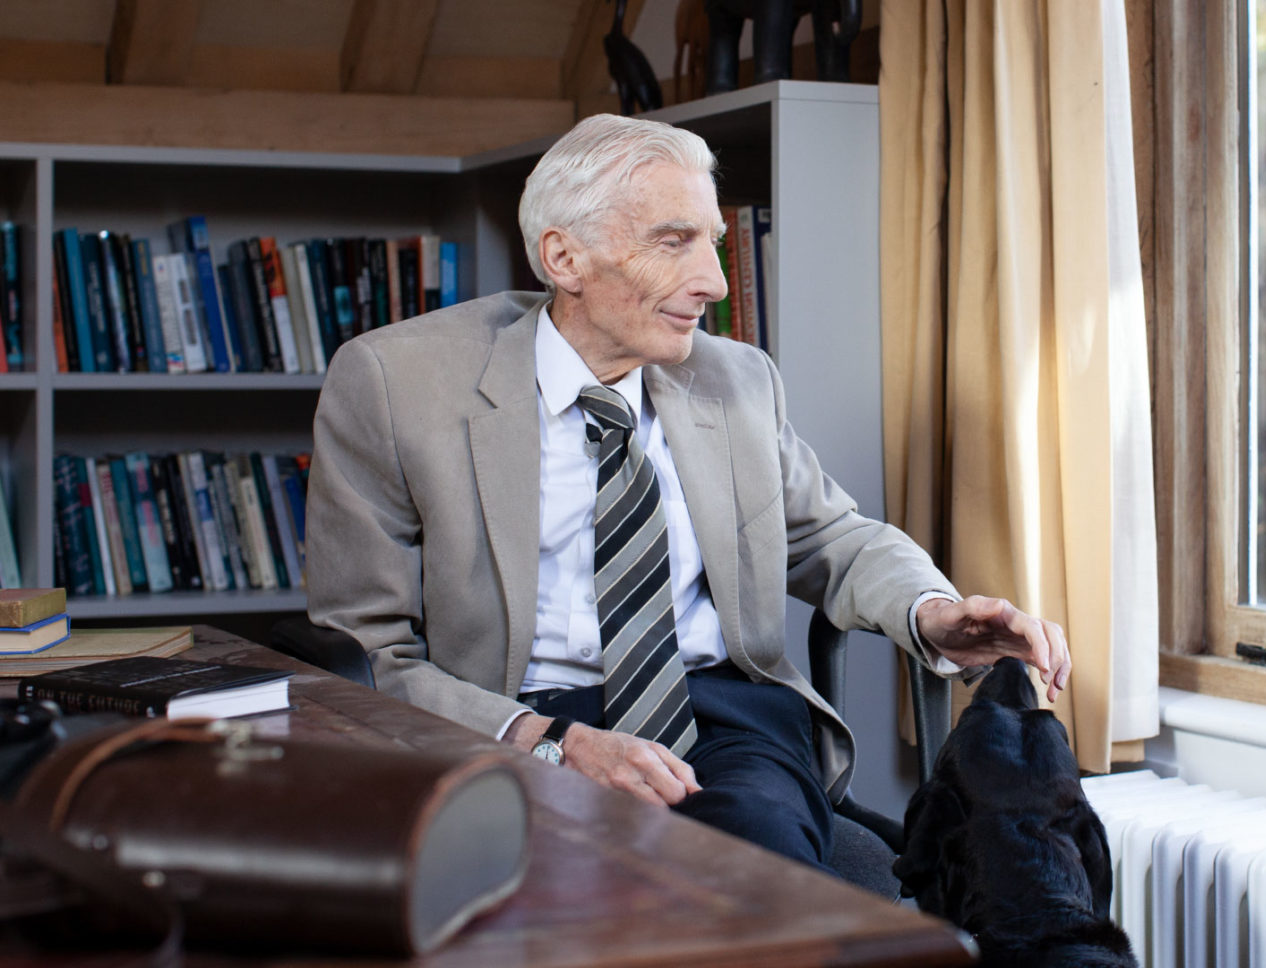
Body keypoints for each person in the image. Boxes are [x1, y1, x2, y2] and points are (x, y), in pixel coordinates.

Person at [305, 113, 1071, 873]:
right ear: (564, 257)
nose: (713, 282)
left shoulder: (734, 378)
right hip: (509, 717)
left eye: (714, 242)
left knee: (747, 874)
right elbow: (367, 648)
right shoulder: (395, 385)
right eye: (674, 241)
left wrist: (932, 612)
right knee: (550, 894)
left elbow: (829, 537)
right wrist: (547, 742)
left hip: (720, 713)